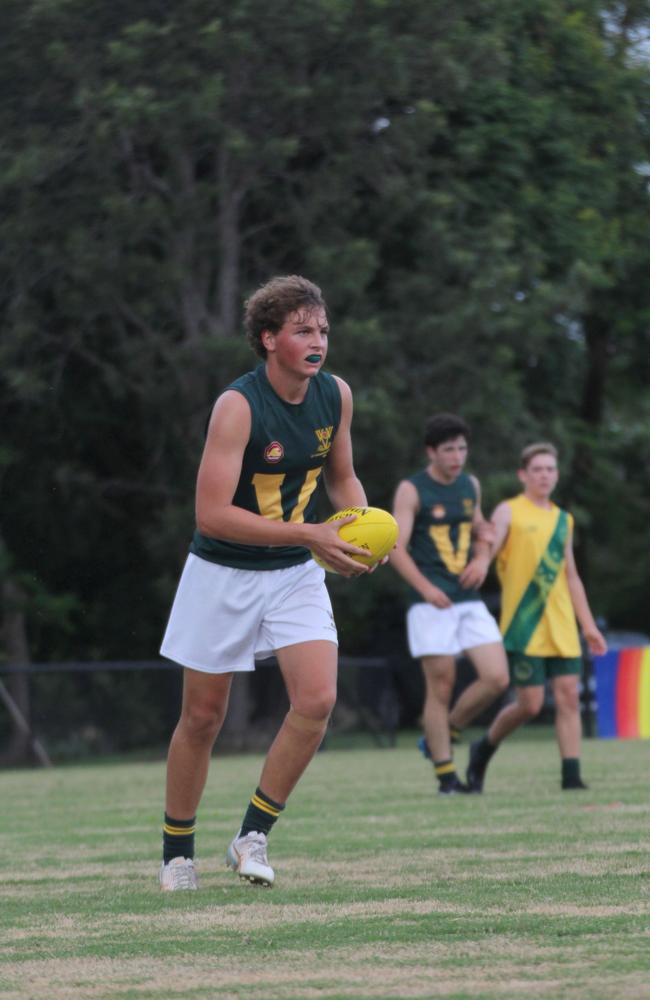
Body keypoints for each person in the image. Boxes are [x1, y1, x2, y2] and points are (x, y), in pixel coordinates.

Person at [158, 275, 374, 891]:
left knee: (318, 700)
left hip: (293, 575)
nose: (318, 341)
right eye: (303, 330)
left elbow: (344, 478)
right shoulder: (238, 405)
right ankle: (177, 854)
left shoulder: (337, 396)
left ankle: (252, 837)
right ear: (268, 337)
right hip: (221, 572)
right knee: (202, 718)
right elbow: (212, 514)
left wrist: (361, 529)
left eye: (324, 330)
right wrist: (312, 535)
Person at [466, 442, 608, 792]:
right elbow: (489, 545)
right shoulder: (509, 511)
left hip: (560, 625)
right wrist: (481, 560)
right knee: (529, 706)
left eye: (550, 469)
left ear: (556, 475)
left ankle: (571, 777)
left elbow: (570, 575)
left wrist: (587, 626)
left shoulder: (564, 519)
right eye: (538, 469)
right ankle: (482, 749)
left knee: (568, 697)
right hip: (524, 624)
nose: (545, 475)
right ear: (523, 475)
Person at [390, 413, 509, 794]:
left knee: (496, 678)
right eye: (448, 450)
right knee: (441, 685)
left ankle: (445, 730)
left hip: (467, 598)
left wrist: (482, 559)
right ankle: (446, 777)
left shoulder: (470, 484)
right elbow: (395, 546)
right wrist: (425, 588)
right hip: (431, 601)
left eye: (461, 448)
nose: (457, 456)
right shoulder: (412, 489)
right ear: (431, 452)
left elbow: (482, 530)